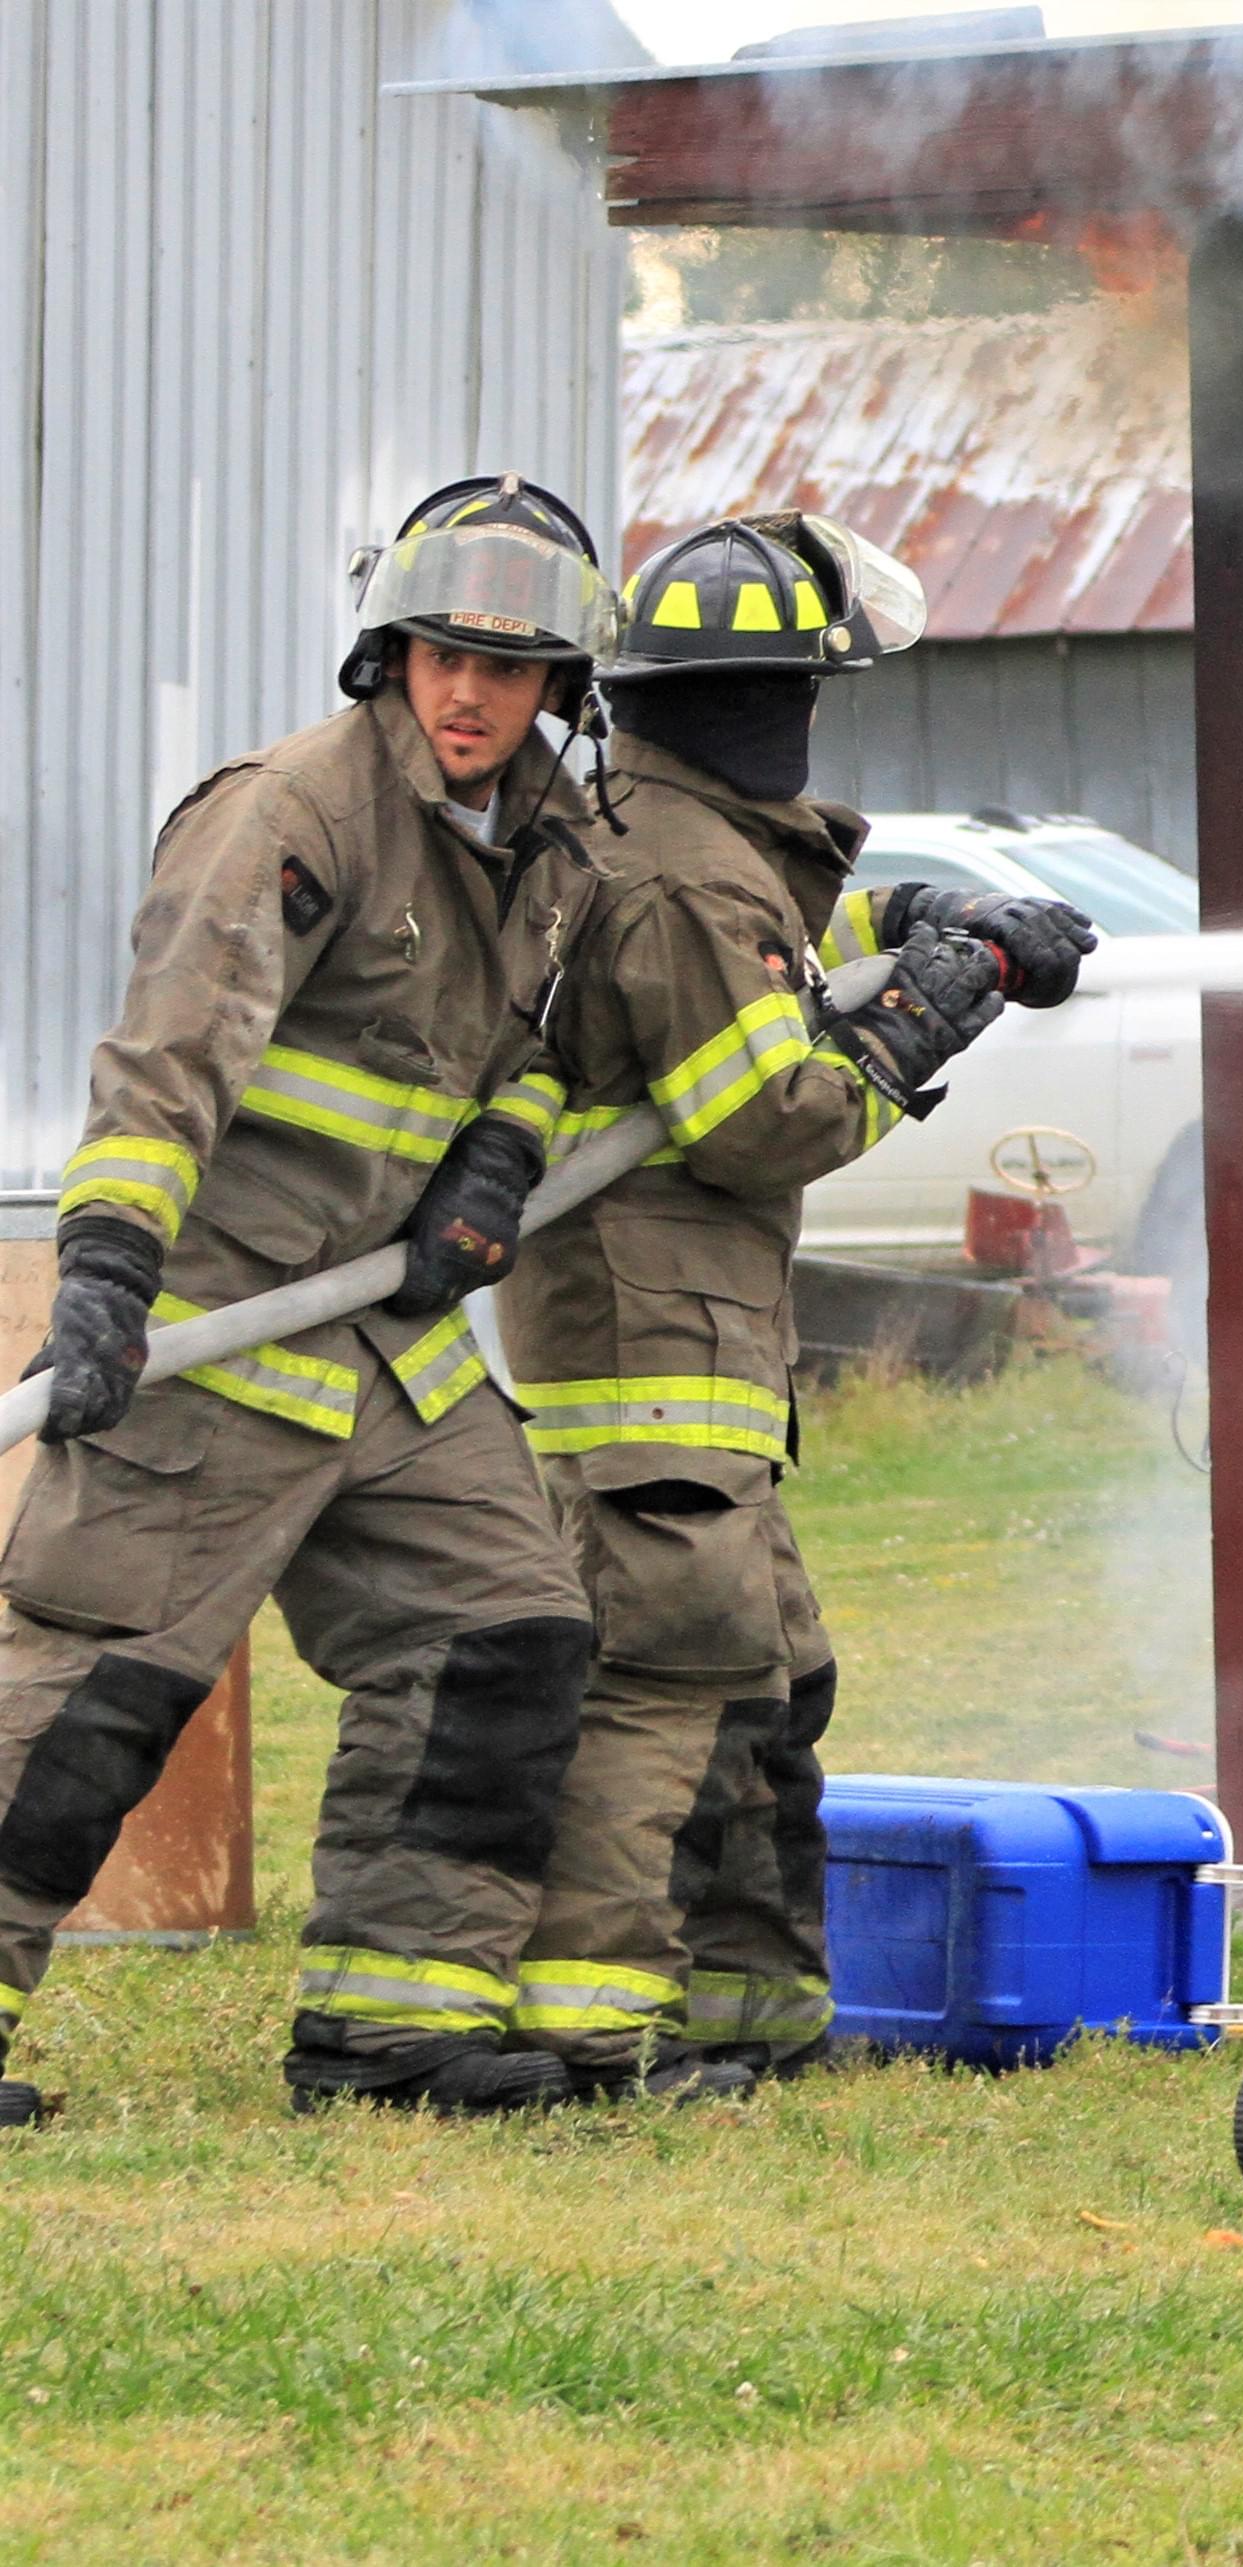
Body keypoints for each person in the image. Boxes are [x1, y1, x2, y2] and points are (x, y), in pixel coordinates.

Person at [0, 477, 621, 2121]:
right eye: (441, 655)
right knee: (89, 1702)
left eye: (510, 665)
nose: (470, 693)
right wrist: (112, 1271)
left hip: (386, 1348)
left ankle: (390, 2030)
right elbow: (167, 1059)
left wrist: (504, 1151)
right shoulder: (292, 812)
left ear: (564, 685)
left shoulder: (556, 843)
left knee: (504, 1634)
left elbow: (545, 1047)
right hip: (211, 1337)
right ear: (389, 653)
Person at [500, 510, 1093, 2095]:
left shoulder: (667, 829)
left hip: (696, 1354)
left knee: (771, 1685)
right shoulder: (684, 872)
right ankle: (594, 2036)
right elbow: (761, 1114)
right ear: (783, 696)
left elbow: (765, 956)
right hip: (650, 1354)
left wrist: (909, 933)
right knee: (666, 1692)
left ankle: (752, 2024)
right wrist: (925, 1021)